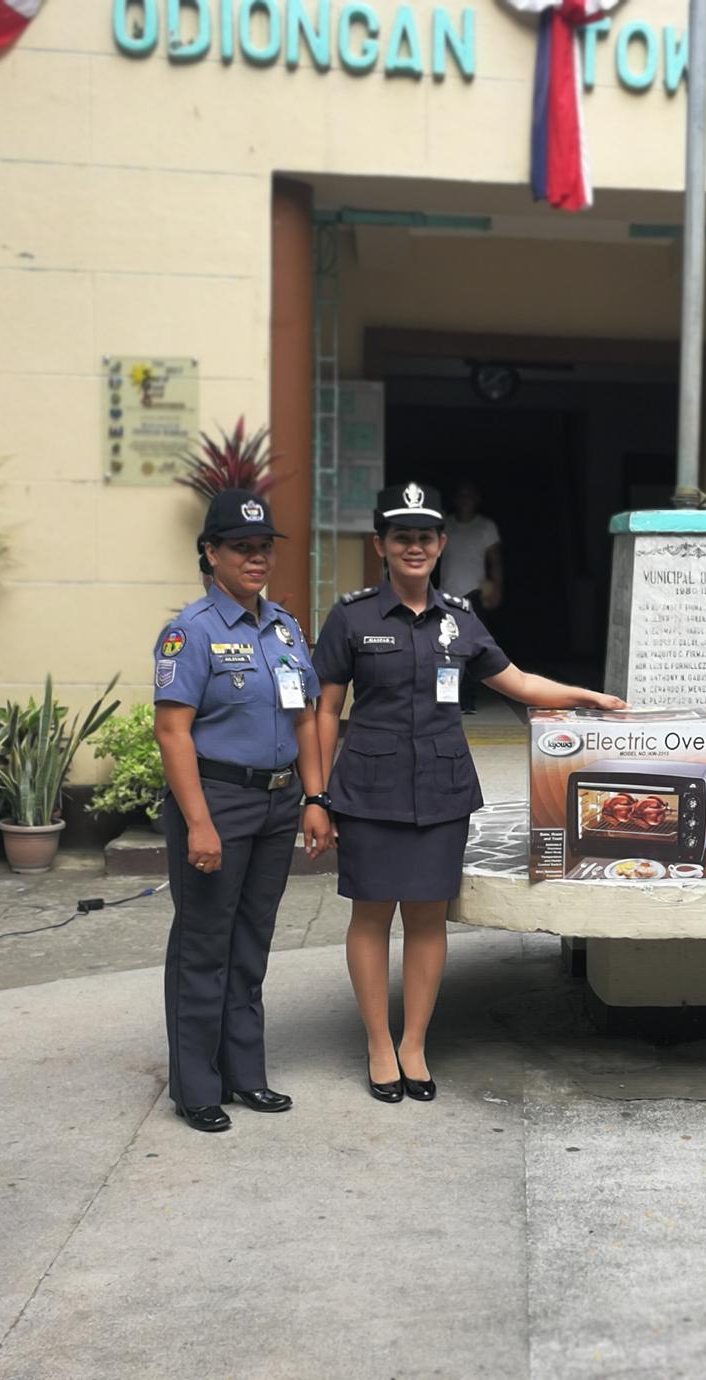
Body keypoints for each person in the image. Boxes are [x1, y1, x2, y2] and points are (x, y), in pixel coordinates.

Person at [311, 482, 622, 1104]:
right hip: (368, 788)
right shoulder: (352, 615)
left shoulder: (459, 617)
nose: (414, 546)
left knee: (427, 919)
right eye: (402, 536)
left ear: (441, 544)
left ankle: (414, 1045)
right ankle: (378, 1044)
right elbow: (325, 710)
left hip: (442, 788)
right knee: (371, 916)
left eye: (425, 536)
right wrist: (315, 797)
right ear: (381, 545)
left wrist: (586, 695)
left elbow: (519, 682)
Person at [152, 488, 332, 1134]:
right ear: (211, 553)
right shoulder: (190, 633)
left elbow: (306, 717)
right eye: (242, 548)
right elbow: (173, 733)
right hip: (218, 798)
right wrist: (197, 820)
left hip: (279, 800)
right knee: (204, 941)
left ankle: (245, 1074)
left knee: (252, 940)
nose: (256, 559)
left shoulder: (284, 627)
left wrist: (315, 798)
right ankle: (197, 1086)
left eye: (264, 548)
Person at [438, 481, 503, 713]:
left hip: (475, 593)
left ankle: (468, 701)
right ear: (455, 499)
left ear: (477, 499)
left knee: (473, 649)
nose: (465, 498)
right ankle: (447, 699)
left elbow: (495, 561)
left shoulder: (486, 526)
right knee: (445, 649)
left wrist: (496, 589)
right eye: (461, 494)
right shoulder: (446, 524)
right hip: (446, 593)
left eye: (470, 494)